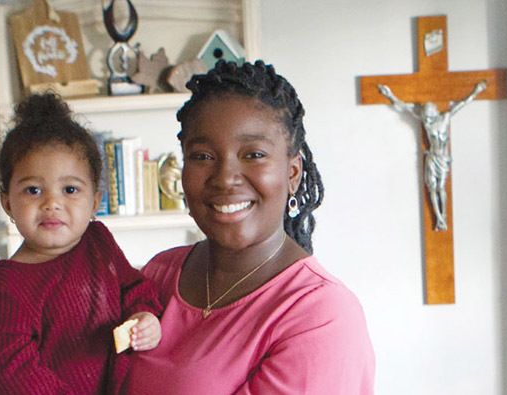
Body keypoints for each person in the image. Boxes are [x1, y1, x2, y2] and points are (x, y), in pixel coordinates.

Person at [122, 60, 375, 394]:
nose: (225, 178)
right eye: (202, 156)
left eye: (254, 154)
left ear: (292, 173)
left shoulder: (321, 316)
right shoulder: (159, 273)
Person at [0, 93, 162, 395]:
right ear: (8, 204)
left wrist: (145, 317)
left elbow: (134, 288)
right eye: (33, 190)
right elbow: (15, 371)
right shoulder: (4, 288)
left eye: (70, 189)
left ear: (95, 203)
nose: (52, 203)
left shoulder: (99, 242)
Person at [377, 81, 486, 231]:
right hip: (432, 158)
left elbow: (462, 104)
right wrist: (390, 95)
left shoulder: (445, 118)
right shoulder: (426, 123)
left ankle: (444, 216)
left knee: (441, 188)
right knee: (432, 188)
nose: (426, 119)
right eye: (425, 116)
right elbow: (404, 107)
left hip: (443, 158)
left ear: (434, 111)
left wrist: (476, 91)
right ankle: (439, 218)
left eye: (428, 115)